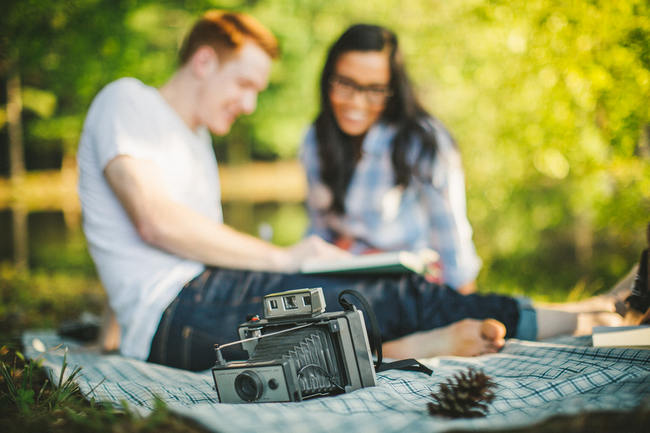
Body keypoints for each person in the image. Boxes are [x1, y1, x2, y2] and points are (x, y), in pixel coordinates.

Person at [77, 11, 618, 372]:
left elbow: (140, 246)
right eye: (245, 84)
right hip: (184, 307)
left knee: (383, 298)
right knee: (369, 301)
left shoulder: (192, 141)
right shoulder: (129, 101)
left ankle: (592, 312)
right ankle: (583, 315)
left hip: (192, 302)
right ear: (203, 61)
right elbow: (153, 221)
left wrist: (113, 335)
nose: (249, 105)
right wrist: (287, 257)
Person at [301, 24, 480, 294]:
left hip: (410, 287)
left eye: (374, 90)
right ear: (328, 81)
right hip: (341, 282)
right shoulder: (314, 140)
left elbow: (452, 240)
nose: (357, 103)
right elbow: (319, 232)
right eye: (345, 84)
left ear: (392, 90)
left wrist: (468, 309)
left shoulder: (422, 141)